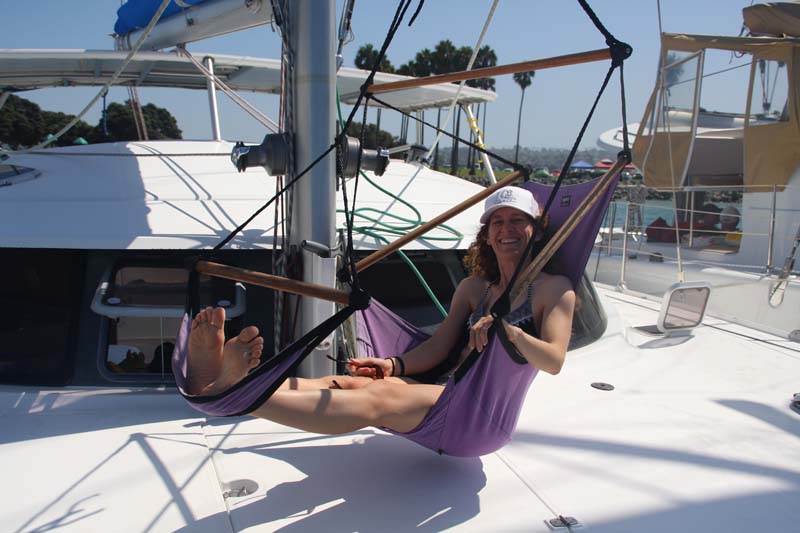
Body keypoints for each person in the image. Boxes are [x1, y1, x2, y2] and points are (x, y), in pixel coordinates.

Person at [186, 186, 576, 435]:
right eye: (497, 222)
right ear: (487, 236)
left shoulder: (553, 289)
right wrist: (393, 364)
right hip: (444, 387)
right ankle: (236, 385)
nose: (506, 229)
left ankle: (233, 395)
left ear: (537, 230)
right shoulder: (475, 288)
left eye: (518, 220)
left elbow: (554, 361)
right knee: (347, 384)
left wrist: (509, 330)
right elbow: (439, 346)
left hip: (477, 411)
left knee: (380, 399)